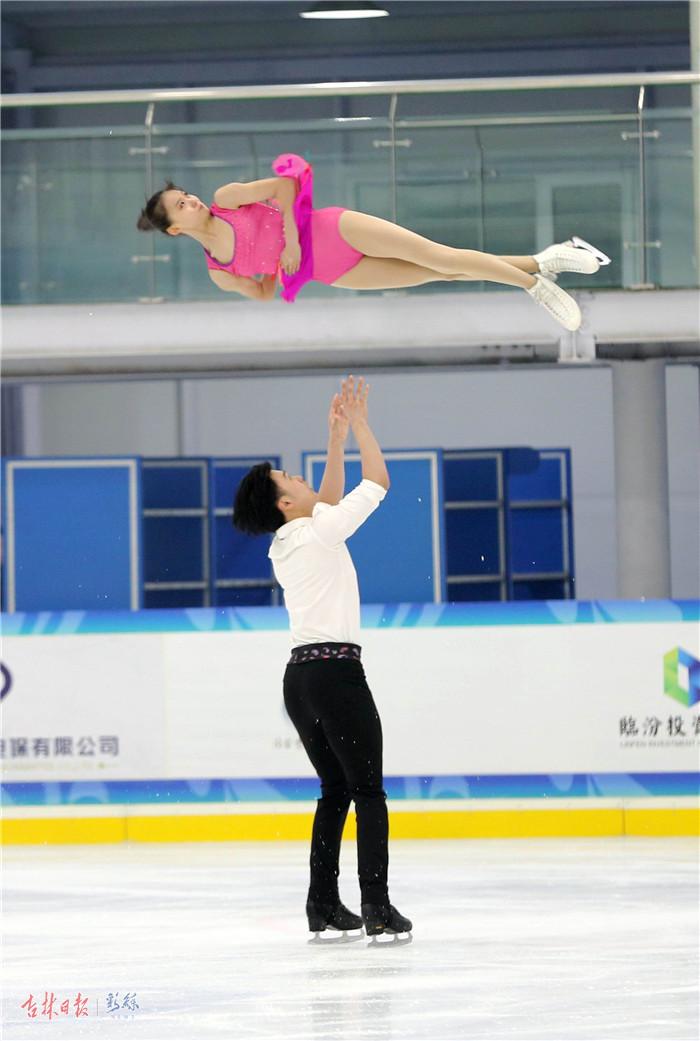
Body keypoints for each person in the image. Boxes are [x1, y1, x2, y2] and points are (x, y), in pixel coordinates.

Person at [232, 375, 412, 943]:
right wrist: (360, 425)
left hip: (300, 681)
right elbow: (378, 481)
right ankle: (376, 905)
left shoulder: (286, 542)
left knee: (335, 791)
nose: (299, 476)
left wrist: (334, 441)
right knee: (368, 792)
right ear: (284, 502)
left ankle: (322, 903)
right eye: (289, 478)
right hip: (336, 676)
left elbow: (325, 507)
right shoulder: (320, 531)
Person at [137, 152, 610, 331]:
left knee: (440, 256)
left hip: (331, 229)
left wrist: (292, 243)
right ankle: (543, 261)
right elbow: (261, 291)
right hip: (334, 272)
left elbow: (285, 186)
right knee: (439, 273)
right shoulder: (220, 273)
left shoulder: (226, 199)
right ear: (174, 229)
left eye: (186, 195)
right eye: (181, 206)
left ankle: (535, 287)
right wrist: (279, 274)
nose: (191, 201)